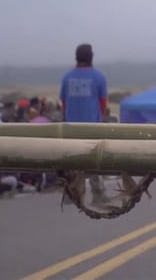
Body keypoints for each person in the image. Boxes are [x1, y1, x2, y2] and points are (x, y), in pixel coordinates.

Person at [60, 43, 109, 205]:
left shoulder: (67, 77)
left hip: (71, 126)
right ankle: (98, 194)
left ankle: (73, 194)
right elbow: (103, 103)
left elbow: (64, 102)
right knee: (94, 160)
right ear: (91, 57)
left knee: (73, 160)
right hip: (92, 126)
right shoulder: (99, 77)